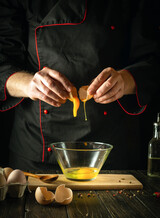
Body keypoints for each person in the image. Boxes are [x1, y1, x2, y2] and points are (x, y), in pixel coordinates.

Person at [0, 0, 159, 171]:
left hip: (109, 149)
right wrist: (30, 84)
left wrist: (124, 80)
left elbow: (153, 60)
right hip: (36, 150)